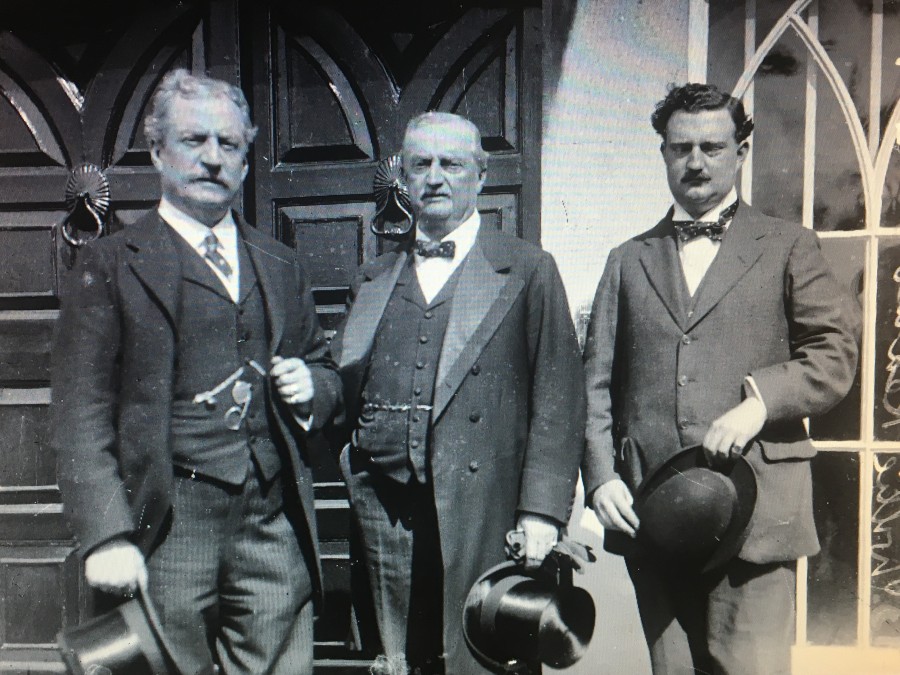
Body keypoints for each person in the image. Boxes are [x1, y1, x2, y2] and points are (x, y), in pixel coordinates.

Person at [51, 69, 341, 675]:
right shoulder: (108, 264)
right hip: (167, 526)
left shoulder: (279, 262)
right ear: (157, 151)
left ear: (246, 158)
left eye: (229, 145)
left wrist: (316, 385)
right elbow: (80, 414)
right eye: (194, 141)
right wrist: (106, 534)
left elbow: (323, 365)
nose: (213, 159)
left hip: (270, 519)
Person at [582, 83, 859, 674]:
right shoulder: (627, 260)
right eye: (681, 148)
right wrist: (601, 477)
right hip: (653, 516)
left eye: (712, 146)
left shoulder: (788, 246)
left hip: (756, 516)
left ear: (742, 152)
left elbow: (834, 356)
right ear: (663, 154)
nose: (696, 162)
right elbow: (595, 384)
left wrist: (759, 402)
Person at [331, 112, 585, 674]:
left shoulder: (525, 269)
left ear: (482, 174)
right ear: (404, 176)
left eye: (452, 164)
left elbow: (559, 398)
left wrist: (542, 513)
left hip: (482, 517)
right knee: (398, 661)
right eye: (421, 164)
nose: (436, 177)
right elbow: (343, 391)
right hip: (388, 521)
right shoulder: (372, 278)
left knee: (482, 659)